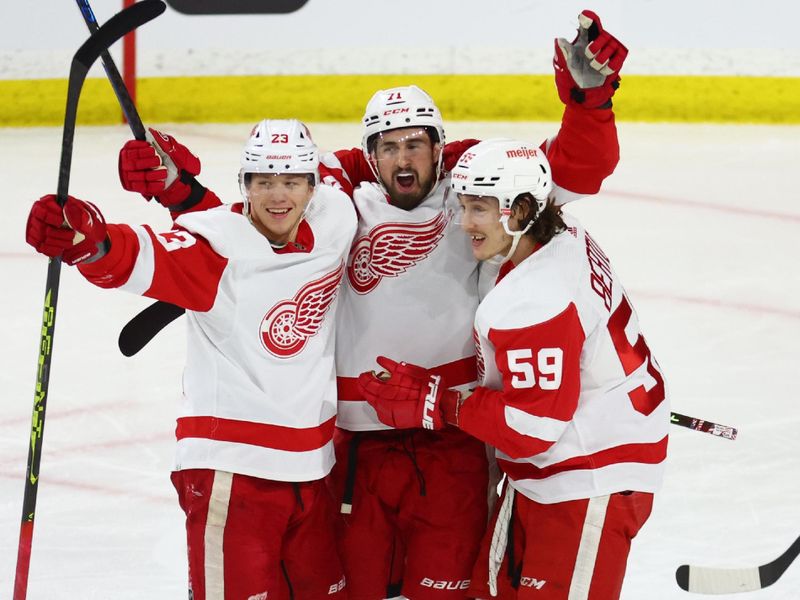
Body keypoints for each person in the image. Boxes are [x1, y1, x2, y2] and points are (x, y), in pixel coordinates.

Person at [115, 12, 628, 599]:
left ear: (439, 146)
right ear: (370, 152)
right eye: (389, 147)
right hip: (354, 446)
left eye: (416, 144)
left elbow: (570, 172)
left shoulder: (475, 187)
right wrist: (180, 190)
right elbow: (255, 237)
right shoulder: (334, 197)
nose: (403, 159)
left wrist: (589, 105)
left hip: (451, 439)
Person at [25, 119, 357, 600]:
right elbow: (135, 255)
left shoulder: (336, 218)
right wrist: (87, 240)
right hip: (234, 473)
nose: (278, 195)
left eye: (291, 181)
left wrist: (179, 187)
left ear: (313, 186)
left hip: (313, 469)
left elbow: (371, 164)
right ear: (244, 186)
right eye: (263, 181)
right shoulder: (216, 243)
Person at [357, 138, 670, 599]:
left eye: (479, 209)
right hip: (559, 466)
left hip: (587, 478)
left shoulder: (537, 299)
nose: (464, 224)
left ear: (521, 209)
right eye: (464, 207)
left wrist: (437, 403)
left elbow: (532, 425)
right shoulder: (561, 237)